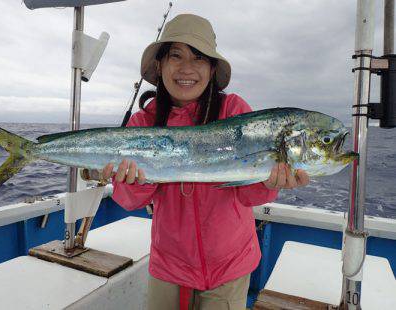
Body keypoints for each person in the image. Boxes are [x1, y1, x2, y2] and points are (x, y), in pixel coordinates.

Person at [99, 14, 309, 310]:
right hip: (168, 267)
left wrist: (268, 181)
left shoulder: (235, 111)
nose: (187, 68)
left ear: (212, 68)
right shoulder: (142, 122)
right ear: (159, 66)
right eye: (175, 56)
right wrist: (131, 182)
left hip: (229, 267)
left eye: (198, 58)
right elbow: (130, 201)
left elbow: (247, 194)